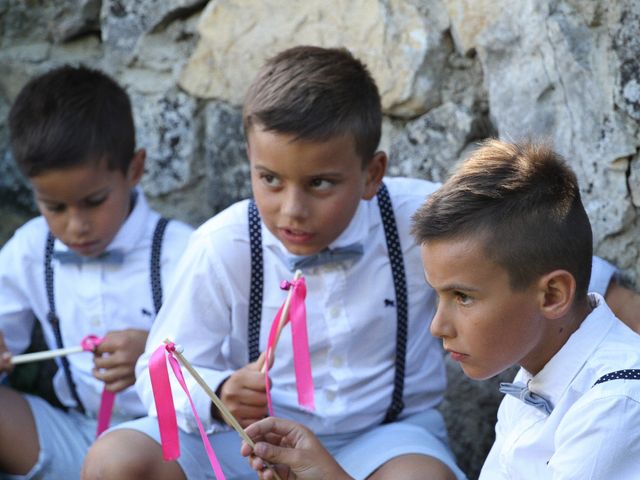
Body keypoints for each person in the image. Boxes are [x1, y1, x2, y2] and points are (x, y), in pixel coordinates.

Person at [81, 48, 628, 480]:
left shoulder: (427, 222)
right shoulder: (222, 243)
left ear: (372, 174)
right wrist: (220, 390)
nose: (290, 208)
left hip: (386, 439)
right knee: (115, 461)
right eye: (269, 179)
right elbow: (161, 369)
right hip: (251, 439)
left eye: (320, 183)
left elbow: (575, 280)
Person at [240, 140, 640, 480]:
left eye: (463, 296)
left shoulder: (615, 405)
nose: (437, 326)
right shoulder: (536, 379)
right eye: (437, 295)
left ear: (553, 295)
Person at [0, 65, 193, 479]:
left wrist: (153, 355)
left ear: (134, 169)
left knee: (119, 464)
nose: (75, 226)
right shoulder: (32, 249)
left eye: (94, 201)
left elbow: (223, 370)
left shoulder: (184, 253)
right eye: (54, 207)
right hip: (69, 434)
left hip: (163, 446)